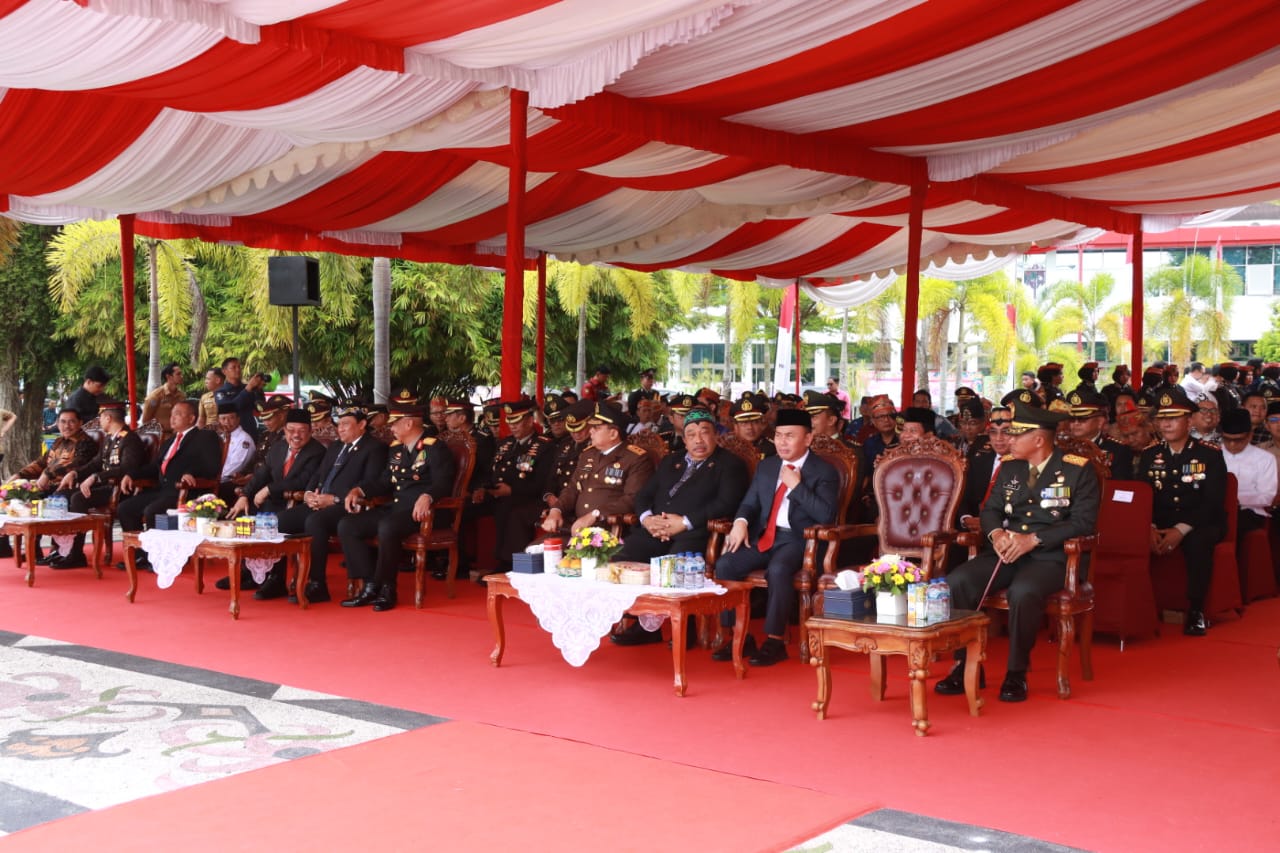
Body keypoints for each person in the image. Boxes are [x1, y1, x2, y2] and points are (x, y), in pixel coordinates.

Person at [937, 399, 1101, 702]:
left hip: (1050, 558)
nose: (1007, 440)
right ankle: (965, 664)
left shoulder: (1078, 470)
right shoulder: (1011, 468)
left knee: (1023, 592)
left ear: (1038, 439)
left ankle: (1016, 673)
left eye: (1015, 434)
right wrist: (997, 533)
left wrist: (1034, 539)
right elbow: (990, 511)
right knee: (958, 581)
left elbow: (1083, 523)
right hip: (1005, 552)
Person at [610, 408, 749, 646]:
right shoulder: (670, 461)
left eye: (705, 433)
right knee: (625, 555)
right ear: (684, 440)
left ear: (716, 435)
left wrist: (683, 522)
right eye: (691, 434)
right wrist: (646, 519)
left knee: (675, 564)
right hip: (656, 529)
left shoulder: (729, 464)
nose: (698, 439)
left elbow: (726, 503)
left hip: (695, 532)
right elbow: (644, 494)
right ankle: (642, 622)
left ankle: (686, 629)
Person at [712, 407, 838, 667]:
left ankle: (774, 640)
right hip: (764, 536)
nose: (782, 442)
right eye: (779, 435)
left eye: (790, 436)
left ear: (808, 439)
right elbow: (749, 503)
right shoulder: (767, 466)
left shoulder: (824, 471)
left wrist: (797, 486)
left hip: (799, 540)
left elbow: (826, 515)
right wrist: (740, 522)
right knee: (725, 564)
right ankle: (739, 635)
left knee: (778, 570)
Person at [337, 400, 454, 612]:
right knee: (348, 525)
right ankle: (370, 583)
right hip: (396, 508)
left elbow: (444, 482)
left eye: (394, 423)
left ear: (408, 424)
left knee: (387, 526)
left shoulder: (435, 448)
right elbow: (384, 481)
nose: (391, 428)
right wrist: (359, 490)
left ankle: (387, 589)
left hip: (423, 512)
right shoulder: (396, 450)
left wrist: (428, 495)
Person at [1135, 388, 1228, 636]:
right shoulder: (1149, 455)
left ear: (1189, 421)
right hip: (1160, 520)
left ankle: (1196, 609)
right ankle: (1137, 610)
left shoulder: (1209, 454)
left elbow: (1213, 502)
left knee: (1198, 542)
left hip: (1200, 522)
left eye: (1173, 418)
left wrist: (1181, 529)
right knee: (1131, 540)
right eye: (1162, 419)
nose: (1166, 424)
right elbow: (1143, 497)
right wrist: (1149, 528)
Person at [273, 406, 388, 604]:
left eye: (345, 424)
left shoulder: (374, 448)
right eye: (339, 424)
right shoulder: (335, 447)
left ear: (362, 425)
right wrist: (309, 494)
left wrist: (334, 499)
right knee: (281, 520)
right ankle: (275, 579)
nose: (340, 429)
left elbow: (370, 484)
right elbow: (318, 475)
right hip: (320, 502)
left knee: (315, 522)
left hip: (348, 506)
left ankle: (317, 584)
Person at [225, 408, 326, 599]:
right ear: (285, 431)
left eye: (302, 431)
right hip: (273, 501)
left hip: (295, 503)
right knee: (242, 513)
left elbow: (302, 481)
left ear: (310, 432)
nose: (296, 435)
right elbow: (262, 473)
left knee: (274, 521)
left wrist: (269, 489)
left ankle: (276, 579)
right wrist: (245, 495)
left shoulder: (317, 451)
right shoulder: (279, 447)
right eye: (291, 430)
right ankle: (251, 572)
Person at [116, 402, 223, 568]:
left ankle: (159, 558)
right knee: (125, 508)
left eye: (178, 414)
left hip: (186, 493)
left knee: (152, 511)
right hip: (162, 490)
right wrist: (131, 475)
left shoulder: (205, 437)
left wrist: (192, 473)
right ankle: (141, 555)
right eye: (172, 414)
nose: (172, 418)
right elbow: (154, 467)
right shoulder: (170, 441)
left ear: (191, 418)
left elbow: (211, 466)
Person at [540, 402, 654, 536]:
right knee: (533, 553)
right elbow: (572, 488)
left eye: (596, 428)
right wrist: (556, 510)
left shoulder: (636, 458)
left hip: (609, 529)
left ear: (613, 434)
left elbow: (632, 499)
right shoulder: (588, 454)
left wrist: (595, 515)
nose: (590, 431)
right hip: (575, 526)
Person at [5, 408, 99, 563]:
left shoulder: (86, 443)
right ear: (57, 423)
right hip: (50, 485)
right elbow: (41, 462)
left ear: (80, 423)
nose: (66, 426)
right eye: (62, 421)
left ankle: (69, 552)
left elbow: (76, 465)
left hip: (71, 486)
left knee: (39, 499)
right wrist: (20, 475)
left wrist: (48, 474)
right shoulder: (59, 441)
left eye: (71, 421)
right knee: (18, 496)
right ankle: (30, 550)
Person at [61, 401, 147, 568]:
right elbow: (95, 463)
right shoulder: (109, 438)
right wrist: (75, 473)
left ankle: (76, 554)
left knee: (79, 498)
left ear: (108, 418)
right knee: (67, 496)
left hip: (120, 489)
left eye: (100, 418)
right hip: (105, 486)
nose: (99, 421)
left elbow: (127, 468)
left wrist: (96, 477)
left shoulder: (130, 439)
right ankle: (64, 548)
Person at [477, 401, 556, 577]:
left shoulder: (544, 446)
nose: (512, 427)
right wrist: (483, 488)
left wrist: (512, 490)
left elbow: (541, 483)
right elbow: (492, 472)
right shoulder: (505, 444)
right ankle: (459, 561)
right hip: (498, 494)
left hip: (526, 497)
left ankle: (507, 562)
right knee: (468, 506)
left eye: (517, 422)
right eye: (510, 422)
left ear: (529, 421)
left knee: (510, 508)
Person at [1219, 409, 1276, 554]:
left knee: (1235, 526)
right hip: (1216, 510)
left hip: (1250, 511)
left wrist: (1235, 500)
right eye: (1227, 439)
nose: (1231, 445)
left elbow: (1267, 496)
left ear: (1250, 436)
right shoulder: (1213, 455)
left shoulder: (1265, 458)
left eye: (1238, 440)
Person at [956, 404, 1012, 532]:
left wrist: (992, 523)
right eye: (993, 432)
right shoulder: (979, 456)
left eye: (1006, 432)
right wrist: (966, 518)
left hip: (1007, 531)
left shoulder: (1025, 463)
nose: (998, 439)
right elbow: (962, 494)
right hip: (971, 528)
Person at [1065, 386, 1134, 479]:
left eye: (1082, 419)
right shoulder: (1061, 448)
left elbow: (1121, 489)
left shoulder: (1118, 451)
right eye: (1072, 419)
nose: (1076, 423)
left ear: (1100, 422)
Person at [214, 357, 266, 441]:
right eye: (233, 367)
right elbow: (230, 409)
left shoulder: (248, 388)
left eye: (239, 367)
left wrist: (259, 390)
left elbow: (260, 407)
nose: (238, 370)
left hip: (250, 431)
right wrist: (248, 388)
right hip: (231, 435)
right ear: (224, 371)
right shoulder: (221, 392)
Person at [214, 403, 257, 504]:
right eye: (223, 418)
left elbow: (235, 466)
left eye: (231, 418)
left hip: (232, 482)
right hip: (218, 479)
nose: (227, 422)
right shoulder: (220, 437)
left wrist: (214, 479)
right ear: (218, 420)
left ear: (238, 419)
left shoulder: (244, 440)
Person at [141, 362, 186, 436]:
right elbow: (146, 421)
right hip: (161, 438)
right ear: (169, 377)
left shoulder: (181, 396)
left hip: (178, 435)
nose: (181, 376)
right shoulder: (155, 396)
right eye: (178, 374)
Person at [731, 394, 775, 459]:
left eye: (755, 422)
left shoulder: (772, 449)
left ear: (761, 424)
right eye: (744, 423)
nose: (750, 427)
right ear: (736, 426)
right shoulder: (728, 448)